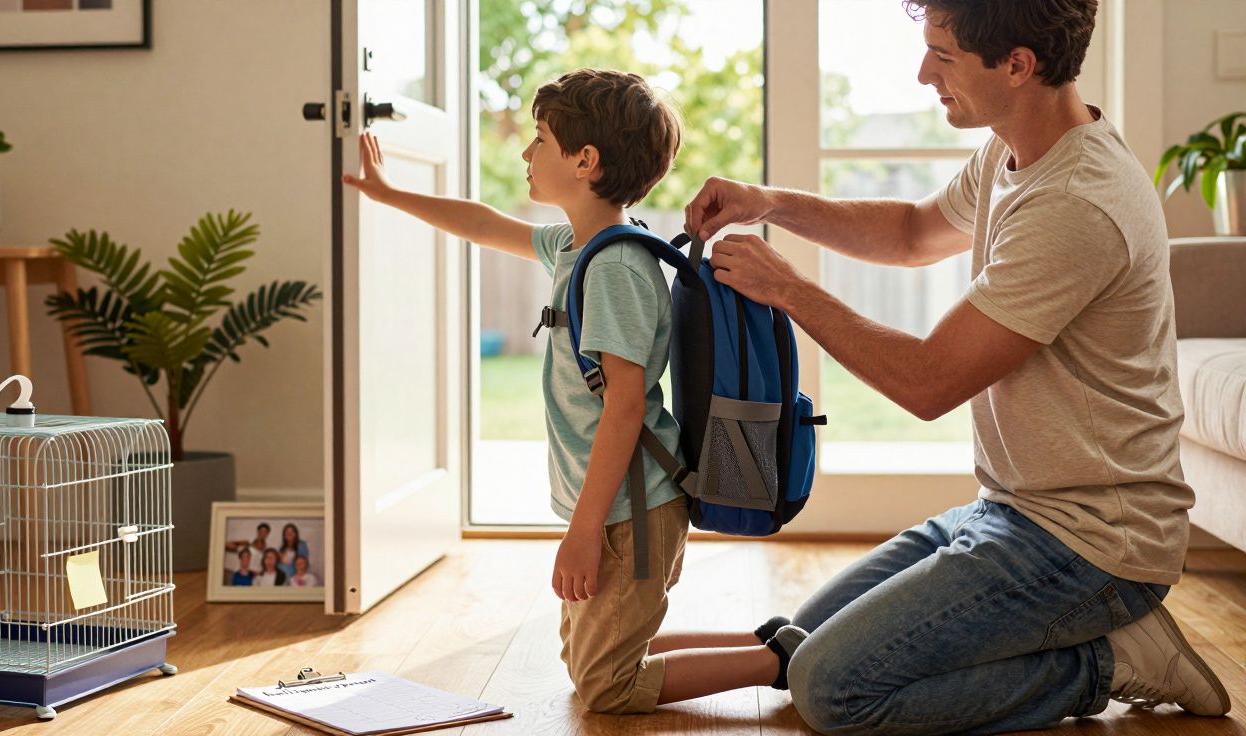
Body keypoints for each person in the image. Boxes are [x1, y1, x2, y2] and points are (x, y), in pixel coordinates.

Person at [650, 1, 1232, 732]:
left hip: (1094, 545)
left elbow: (928, 382)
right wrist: (771, 204)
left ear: (1018, 65)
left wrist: (788, 289)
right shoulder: (1014, 147)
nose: (924, 73)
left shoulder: (1078, 204)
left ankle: (1108, 661)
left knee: (833, 689)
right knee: (806, 636)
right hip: (1008, 513)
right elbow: (913, 232)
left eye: (944, 56)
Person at [344, 67, 779, 713]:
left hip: (633, 509)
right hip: (614, 507)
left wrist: (581, 533)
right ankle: (766, 641)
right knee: (587, 663)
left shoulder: (614, 269)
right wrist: (390, 195)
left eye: (539, 138)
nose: (525, 152)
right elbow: (484, 224)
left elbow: (625, 407)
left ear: (584, 159)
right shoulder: (579, 246)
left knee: (605, 686)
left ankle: (780, 661)